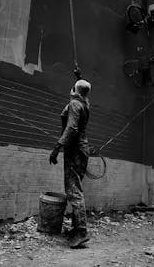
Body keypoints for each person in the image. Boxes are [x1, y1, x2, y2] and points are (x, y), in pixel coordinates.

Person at [49, 79, 91, 248]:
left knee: (74, 191)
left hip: (74, 151)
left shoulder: (75, 104)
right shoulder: (84, 103)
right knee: (76, 189)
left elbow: (71, 128)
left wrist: (57, 147)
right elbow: (82, 89)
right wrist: (78, 78)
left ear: (75, 90)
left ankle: (81, 232)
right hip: (82, 150)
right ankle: (76, 230)